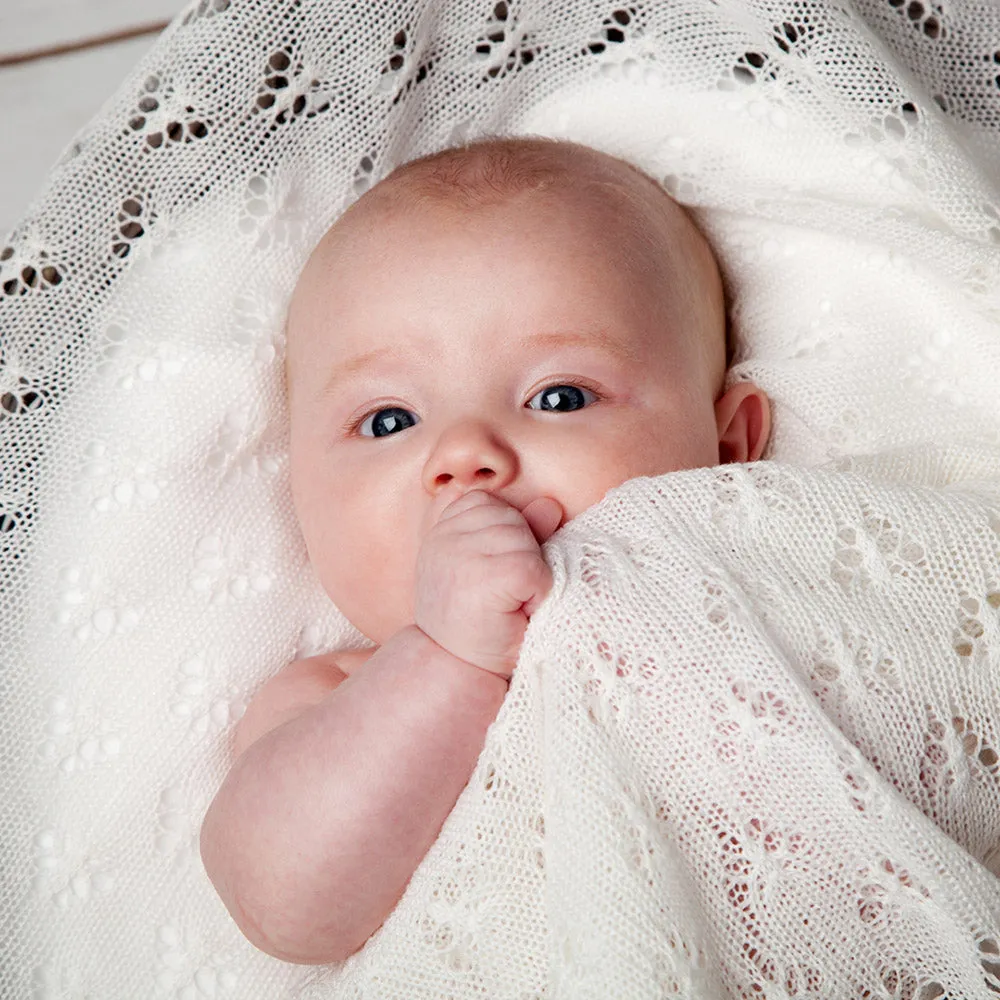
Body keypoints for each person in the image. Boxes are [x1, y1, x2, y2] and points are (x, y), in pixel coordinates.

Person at [199, 136, 772, 965]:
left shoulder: (761, 595)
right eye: (390, 420)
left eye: (560, 396)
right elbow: (286, 909)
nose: (466, 453)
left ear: (728, 447)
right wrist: (445, 658)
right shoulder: (336, 694)